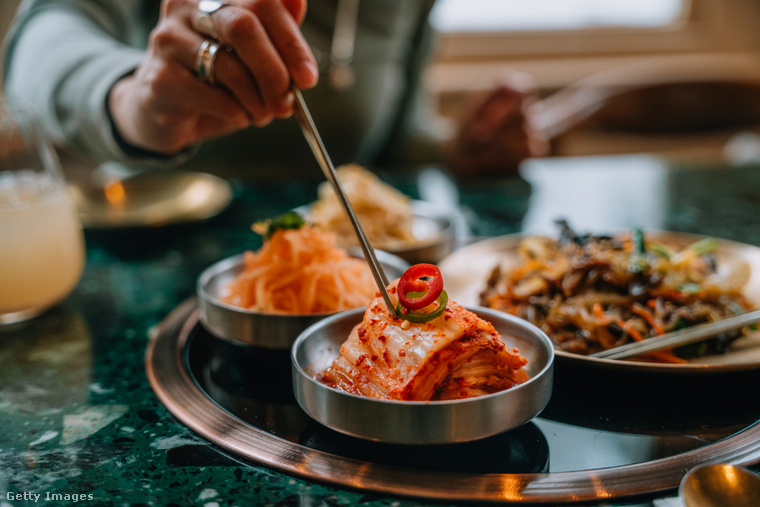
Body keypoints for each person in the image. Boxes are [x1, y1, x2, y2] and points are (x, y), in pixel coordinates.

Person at [1, 0, 545, 180]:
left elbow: (393, 131)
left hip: (334, 290)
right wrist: (130, 97)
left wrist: (456, 149)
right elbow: (41, 37)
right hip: (149, 255)